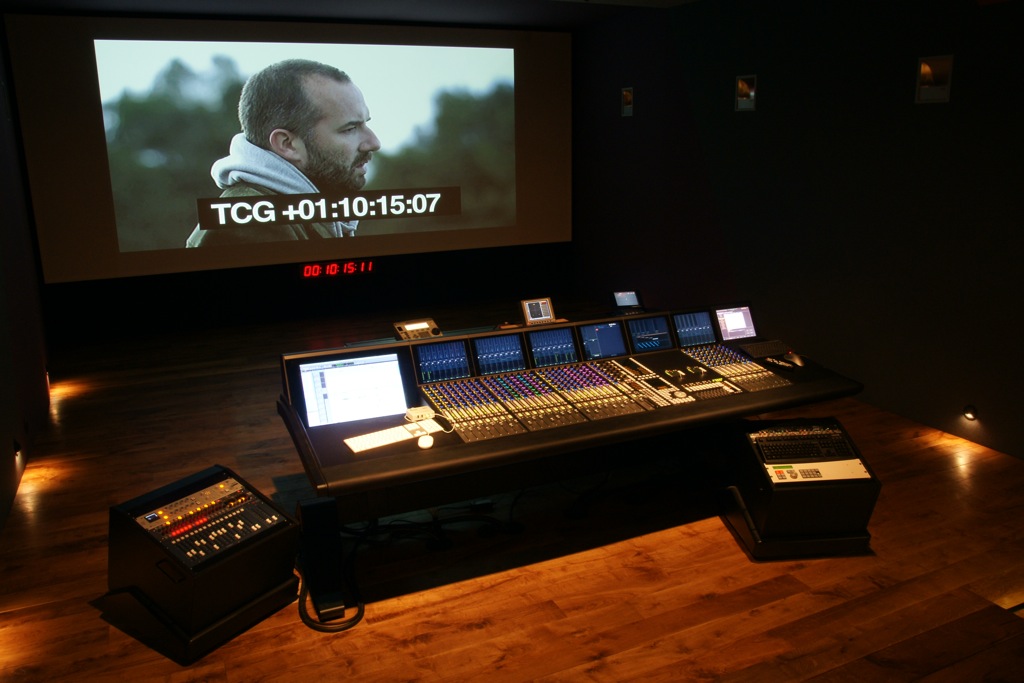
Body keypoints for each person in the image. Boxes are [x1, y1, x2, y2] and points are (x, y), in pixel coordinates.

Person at [186, 59, 381, 247]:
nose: (374, 143)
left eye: (366, 123)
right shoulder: (253, 226)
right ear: (287, 144)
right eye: (350, 129)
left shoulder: (298, 212)